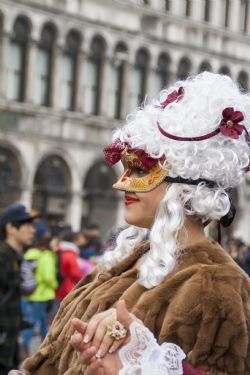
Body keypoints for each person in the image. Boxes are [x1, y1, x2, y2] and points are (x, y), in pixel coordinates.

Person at [10, 72, 250, 374]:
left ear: (186, 187)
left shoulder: (217, 287)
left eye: (140, 172)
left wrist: (147, 363)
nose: (122, 185)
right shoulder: (120, 267)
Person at [0, 203, 37, 374]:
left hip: (8, 343)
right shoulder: (2, 257)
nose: (33, 230)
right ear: (11, 228)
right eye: (27, 225)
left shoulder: (14, 257)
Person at [20, 224, 58, 359]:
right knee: (35, 321)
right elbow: (48, 277)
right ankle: (24, 345)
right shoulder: (46, 255)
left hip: (29, 292)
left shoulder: (30, 253)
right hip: (42, 295)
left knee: (41, 322)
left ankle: (46, 350)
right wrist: (54, 284)